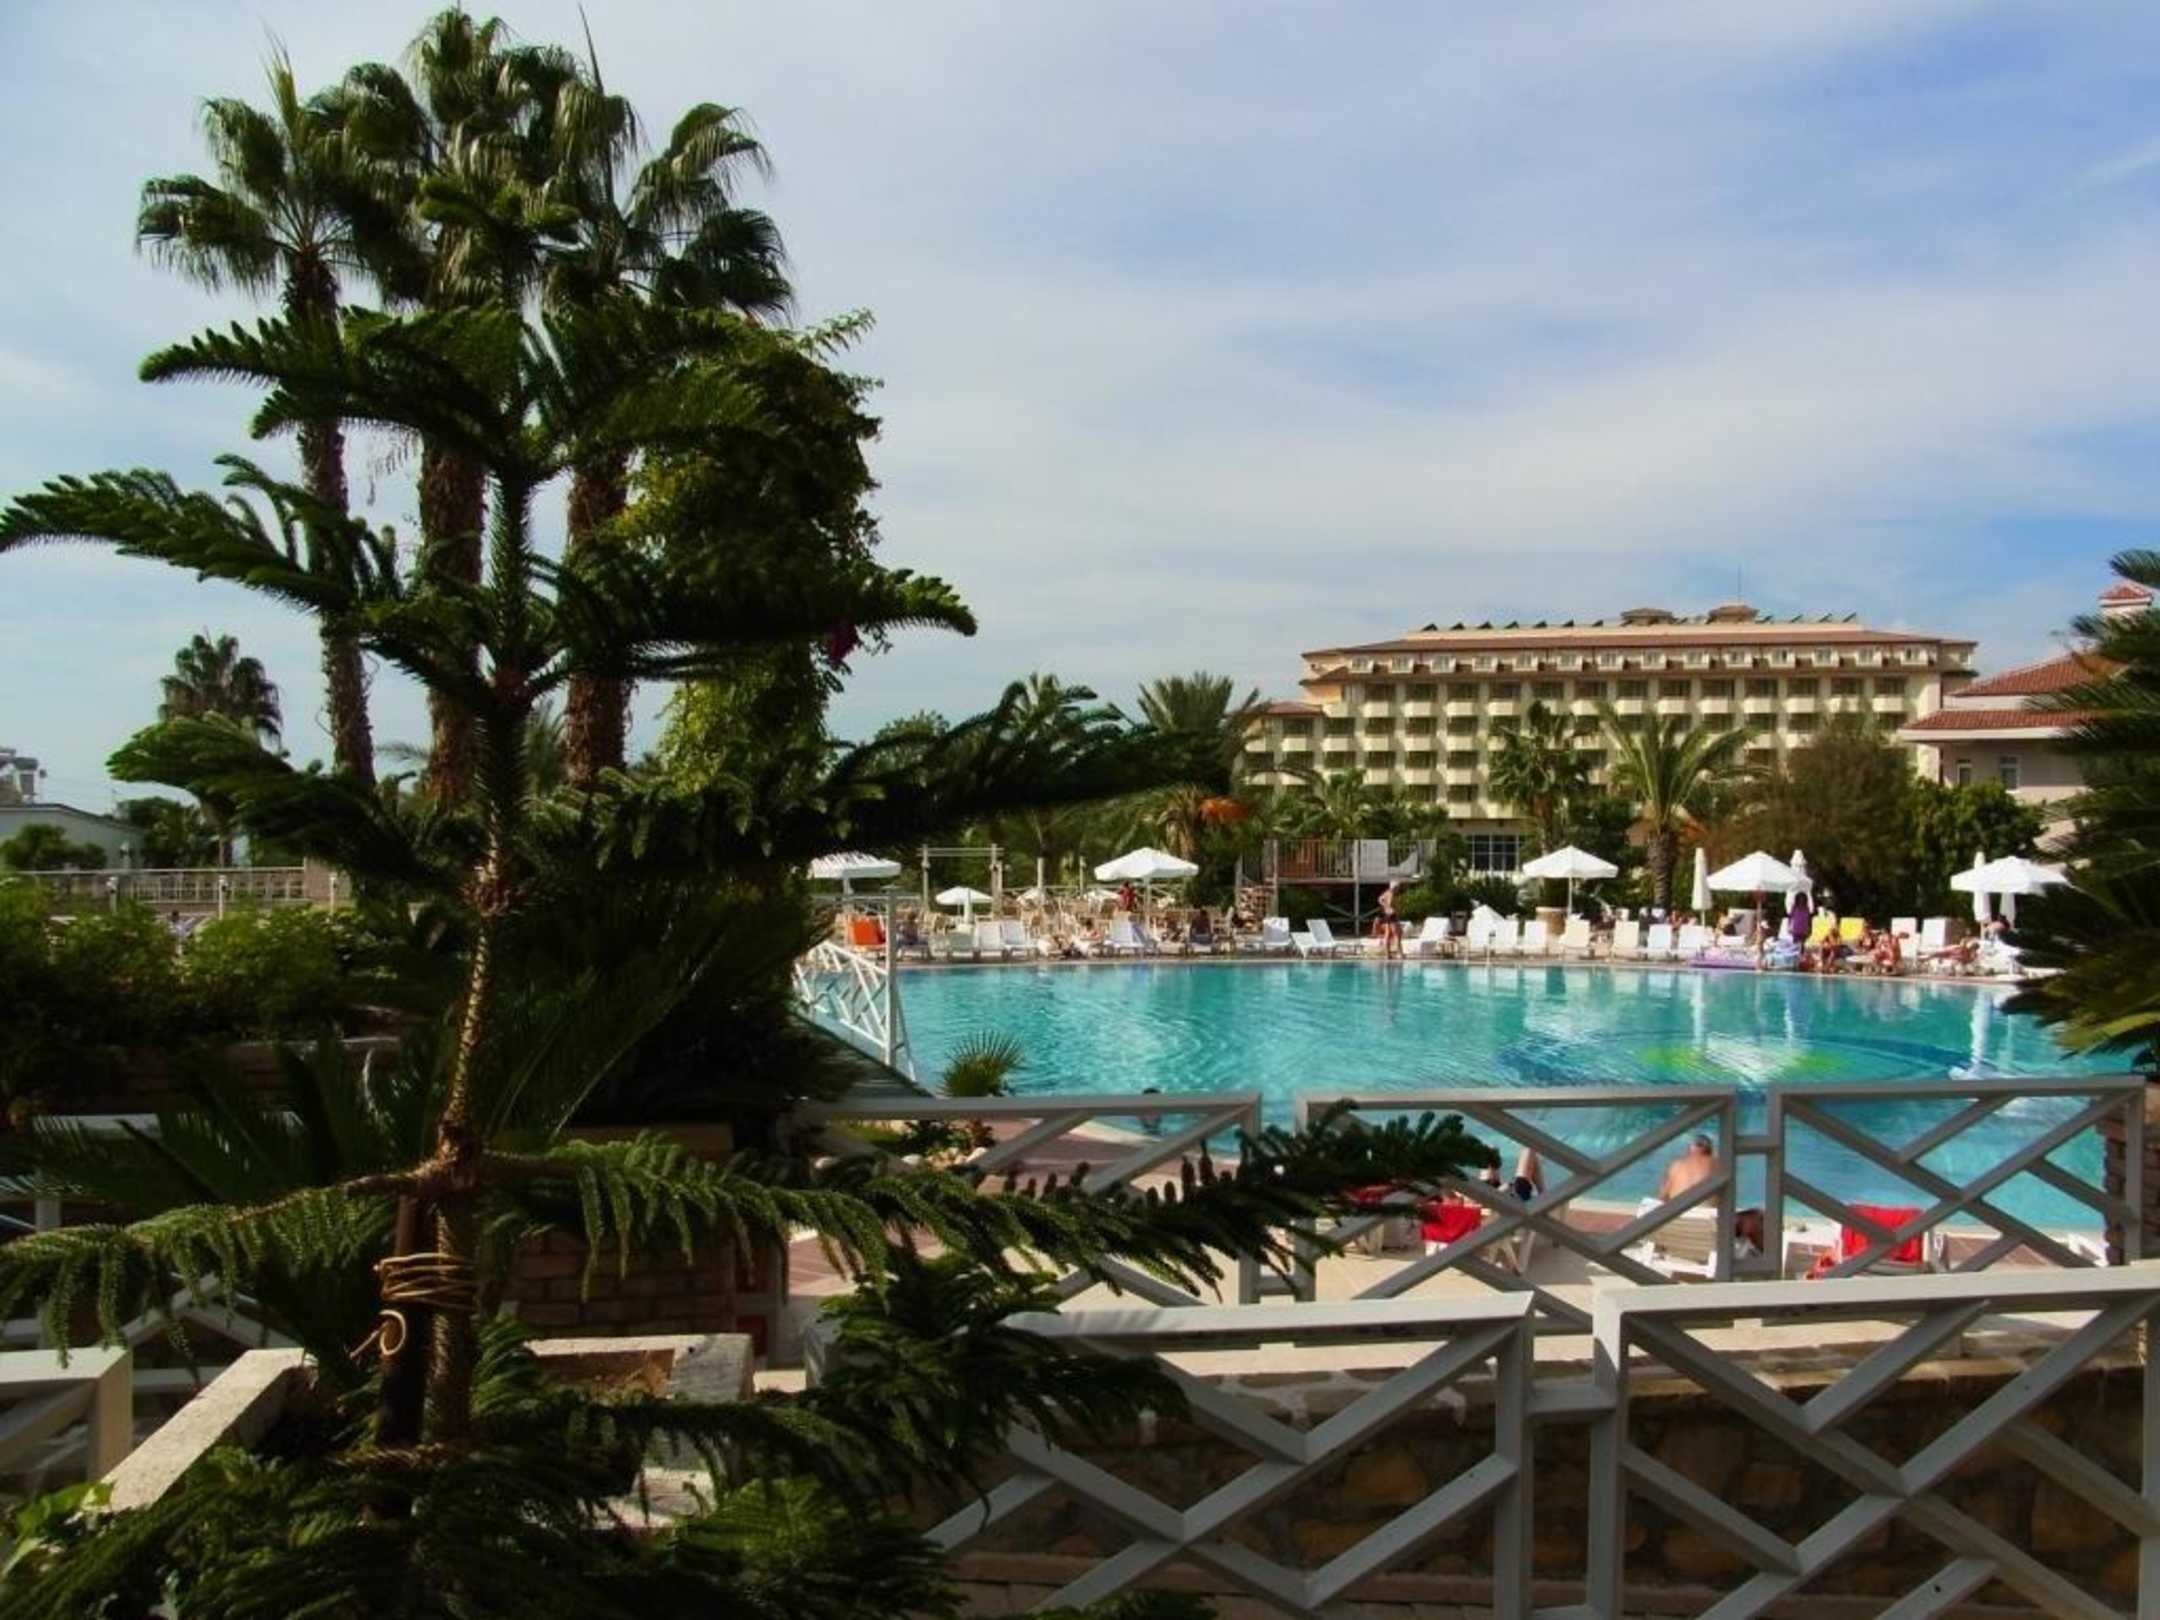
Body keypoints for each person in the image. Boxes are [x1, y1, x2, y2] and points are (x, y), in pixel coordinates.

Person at [1377, 881, 1403, 959]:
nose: (1398, 889)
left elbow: (1379, 899)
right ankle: (1399, 953)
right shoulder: (1391, 894)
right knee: (1397, 934)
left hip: (1386, 915)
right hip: (1392, 915)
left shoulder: (1386, 893)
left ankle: (1387, 954)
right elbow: (1390, 903)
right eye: (1397, 888)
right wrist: (1391, 908)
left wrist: (1385, 906)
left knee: (1387, 935)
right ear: (1395, 887)